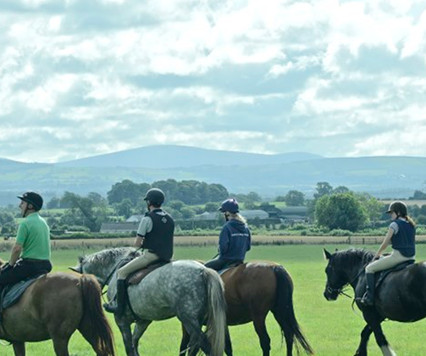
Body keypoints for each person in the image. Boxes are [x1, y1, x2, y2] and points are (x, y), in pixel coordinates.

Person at [104, 187, 174, 316]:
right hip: (168, 257)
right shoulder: (170, 218)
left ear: (149, 202)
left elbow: (137, 243)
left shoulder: (147, 219)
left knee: (121, 272)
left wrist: (132, 251)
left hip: (151, 256)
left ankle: (119, 306)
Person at [360, 201, 416, 306]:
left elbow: (385, 243)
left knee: (369, 268)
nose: (390, 215)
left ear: (398, 212)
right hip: (411, 257)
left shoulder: (394, 224)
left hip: (398, 257)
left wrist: (377, 255)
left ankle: (369, 297)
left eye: (392, 213)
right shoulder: (411, 224)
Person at [0, 192, 52, 292]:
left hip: (29, 266)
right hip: (46, 265)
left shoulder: (25, 223)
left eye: (22, 203)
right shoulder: (43, 222)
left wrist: (10, 265)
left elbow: (17, 249)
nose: (20, 206)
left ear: (30, 206)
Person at [205, 198, 251, 271]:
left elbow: (223, 247)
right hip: (240, 261)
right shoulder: (246, 228)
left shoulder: (227, 227)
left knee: (203, 269)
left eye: (224, 213)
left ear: (227, 213)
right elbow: (248, 247)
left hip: (225, 261)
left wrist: (221, 251)